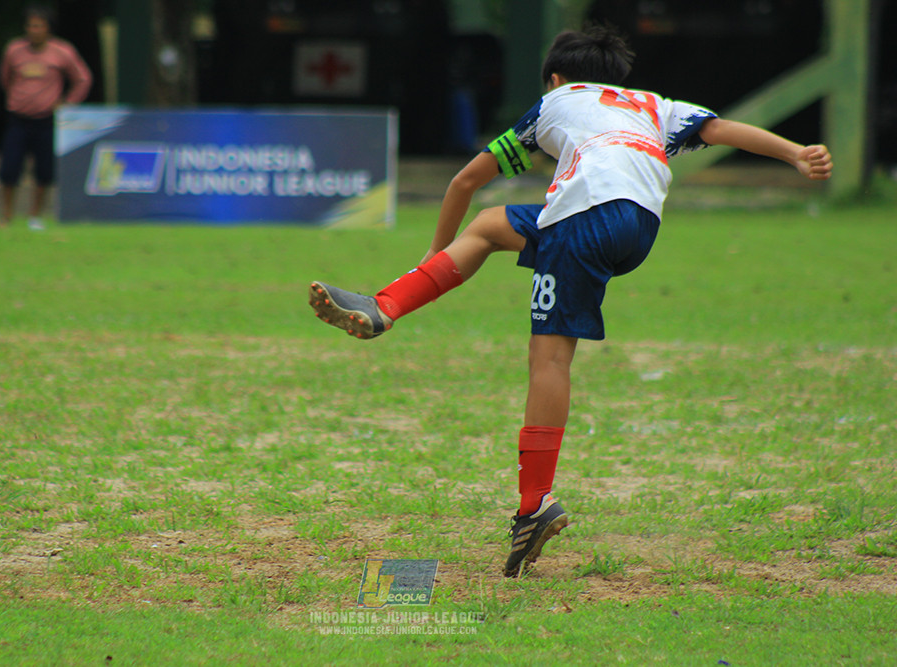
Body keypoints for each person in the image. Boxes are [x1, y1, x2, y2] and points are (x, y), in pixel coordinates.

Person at [308, 26, 833, 578]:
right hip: (638, 225)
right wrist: (796, 153)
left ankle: (534, 502)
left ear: (557, 78)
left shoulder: (554, 102)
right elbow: (724, 130)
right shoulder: (653, 104)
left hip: (584, 214)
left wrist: (431, 257)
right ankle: (385, 304)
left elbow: (467, 180)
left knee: (550, 359)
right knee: (490, 227)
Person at [0, 4, 91, 230]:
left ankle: (34, 215)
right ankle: (6, 215)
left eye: (38, 26)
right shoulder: (14, 50)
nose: (33, 30)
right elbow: (5, 79)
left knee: (43, 171)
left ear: (48, 29)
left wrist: (67, 103)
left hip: (47, 120)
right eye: (30, 25)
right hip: (18, 118)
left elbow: (83, 79)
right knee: (9, 168)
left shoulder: (62, 51)